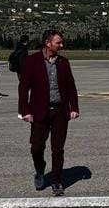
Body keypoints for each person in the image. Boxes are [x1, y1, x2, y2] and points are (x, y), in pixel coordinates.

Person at [19, 29, 80, 197]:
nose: (61, 45)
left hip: (60, 111)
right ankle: (40, 170)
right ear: (48, 43)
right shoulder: (32, 61)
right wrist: (25, 111)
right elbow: (24, 88)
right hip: (39, 111)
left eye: (61, 42)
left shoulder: (63, 62)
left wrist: (74, 107)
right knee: (36, 147)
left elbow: (71, 87)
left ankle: (56, 181)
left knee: (58, 148)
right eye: (58, 42)